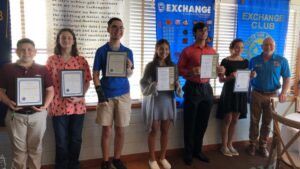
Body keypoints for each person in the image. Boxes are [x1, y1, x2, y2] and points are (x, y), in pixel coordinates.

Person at [0, 38, 54, 169]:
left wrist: (45, 106)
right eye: (22, 49)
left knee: (36, 149)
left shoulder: (43, 69)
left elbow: (50, 90)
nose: (26, 52)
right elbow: (1, 91)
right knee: (19, 152)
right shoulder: (7, 68)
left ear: (35, 52)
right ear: (17, 51)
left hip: (38, 115)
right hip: (15, 115)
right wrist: (8, 102)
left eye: (29, 49)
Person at [178, 22, 225, 165]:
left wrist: (220, 70)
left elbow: (215, 71)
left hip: (206, 88)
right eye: (200, 31)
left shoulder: (212, 51)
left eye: (205, 30)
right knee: (190, 122)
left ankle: (198, 151)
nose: (203, 33)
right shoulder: (187, 51)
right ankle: (188, 152)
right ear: (195, 33)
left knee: (203, 122)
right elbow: (180, 70)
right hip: (192, 87)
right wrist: (190, 72)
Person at [46, 28, 92, 169]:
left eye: (69, 37)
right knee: (61, 140)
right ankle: (61, 166)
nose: (66, 40)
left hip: (77, 107)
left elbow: (87, 81)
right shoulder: (51, 60)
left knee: (76, 139)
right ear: (59, 41)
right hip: (57, 106)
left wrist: (80, 96)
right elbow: (47, 83)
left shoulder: (81, 60)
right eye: (63, 38)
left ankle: (74, 165)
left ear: (73, 41)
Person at [93, 17, 134, 169]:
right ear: (108, 29)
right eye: (115, 27)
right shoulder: (101, 51)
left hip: (123, 94)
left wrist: (129, 67)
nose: (118, 30)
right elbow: (96, 75)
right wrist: (100, 94)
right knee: (106, 131)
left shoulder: (128, 52)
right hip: (106, 94)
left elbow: (129, 75)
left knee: (121, 130)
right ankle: (105, 161)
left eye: (121, 28)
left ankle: (117, 159)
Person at [140, 39, 181, 169]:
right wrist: (153, 85)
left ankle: (162, 157)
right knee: (153, 130)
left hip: (167, 101)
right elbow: (143, 83)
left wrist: (177, 85)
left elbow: (177, 83)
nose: (164, 51)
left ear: (169, 51)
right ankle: (152, 159)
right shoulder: (150, 66)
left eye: (167, 49)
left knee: (165, 131)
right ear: (156, 49)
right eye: (161, 48)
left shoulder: (173, 66)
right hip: (155, 102)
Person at [247, 37, 290, 158]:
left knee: (267, 122)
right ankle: (252, 144)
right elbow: (247, 77)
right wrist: (250, 77)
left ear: (274, 46)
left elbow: (287, 78)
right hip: (256, 93)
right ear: (261, 47)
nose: (268, 46)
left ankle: (263, 145)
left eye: (271, 44)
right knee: (254, 121)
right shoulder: (254, 60)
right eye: (266, 44)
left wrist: (284, 92)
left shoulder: (282, 61)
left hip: (273, 95)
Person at [216, 39, 249, 157]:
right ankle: (223, 146)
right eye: (236, 47)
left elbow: (246, 78)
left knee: (235, 120)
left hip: (240, 93)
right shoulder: (225, 61)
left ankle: (230, 144)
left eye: (241, 47)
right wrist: (230, 77)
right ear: (232, 48)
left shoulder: (246, 62)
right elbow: (220, 80)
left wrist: (252, 76)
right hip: (229, 92)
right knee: (228, 119)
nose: (239, 49)